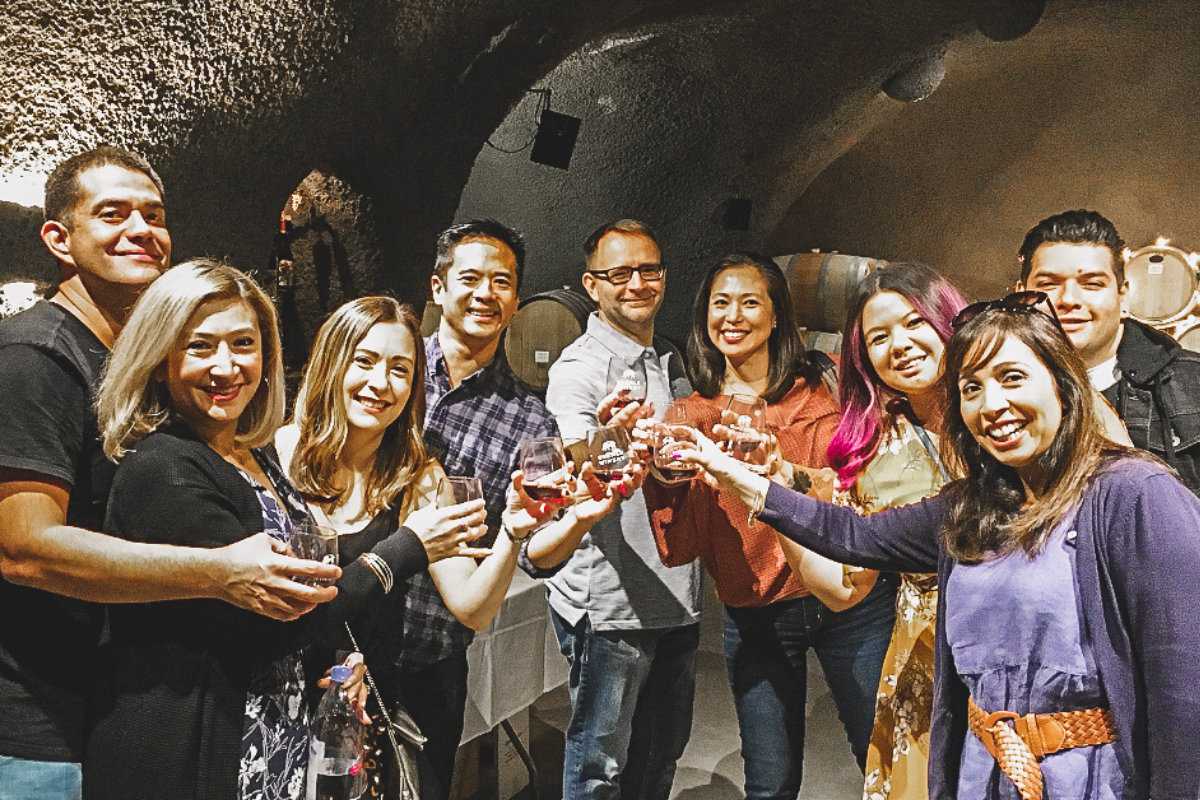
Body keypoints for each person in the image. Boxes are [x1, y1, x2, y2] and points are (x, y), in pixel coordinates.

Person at [682, 294, 1200, 800]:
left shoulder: (1134, 494)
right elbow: (855, 534)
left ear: (1064, 385)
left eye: (1013, 378)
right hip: (984, 768)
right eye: (971, 388)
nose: (993, 405)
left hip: (1088, 774)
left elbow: (1184, 687)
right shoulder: (974, 503)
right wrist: (740, 478)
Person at [0, 147, 335, 797]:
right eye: (112, 213)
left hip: (100, 696)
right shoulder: (36, 357)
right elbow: (22, 550)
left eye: (153, 214)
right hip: (34, 722)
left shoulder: (122, 362)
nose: (139, 229)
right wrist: (221, 573)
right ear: (58, 239)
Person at [85, 261, 445, 799]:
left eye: (243, 344)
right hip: (192, 755)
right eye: (201, 346)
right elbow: (272, 622)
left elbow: (297, 593)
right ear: (159, 360)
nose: (226, 366)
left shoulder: (250, 455)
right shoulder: (163, 468)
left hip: (269, 747)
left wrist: (334, 663)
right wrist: (403, 551)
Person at [277, 295, 631, 798]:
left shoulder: (418, 479)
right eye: (364, 361)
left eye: (400, 369)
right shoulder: (278, 455)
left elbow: (470, 608)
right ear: (332, 362)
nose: (381, 383)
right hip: (274, 699)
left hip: (362, 712)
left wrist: (511, 532)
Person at [640, 252, 896, 800]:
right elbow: (680, 538)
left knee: (886, 758)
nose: (733, 316)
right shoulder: (690, 415)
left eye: (750, 302)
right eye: (720, 303)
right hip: (757, 612)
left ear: (777, 313)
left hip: (852, 602)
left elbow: (865, 482)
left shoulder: (826, 391)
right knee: (770, 781)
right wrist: (662, 475)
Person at [543, 219, 701, 800]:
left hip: (677, 591)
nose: (637, 283)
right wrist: (611, 437)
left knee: (661, 757)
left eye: (649, 270)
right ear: (592, 285)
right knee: (598, 769)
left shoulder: (670, 359)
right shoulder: (578, 369)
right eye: (619, 273)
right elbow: (582, 459)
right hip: (612, 601)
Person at [417, 219, 563, 796]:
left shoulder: (531, 420)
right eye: (470, 278)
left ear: (517, 301)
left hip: (433, 647)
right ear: (438, 287)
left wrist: (575, 516)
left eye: (500, 282)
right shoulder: (386, 373)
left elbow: (536, 552)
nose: (485, 294)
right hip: (344, 631)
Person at [825, 263, 966, 800]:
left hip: (1021, 648)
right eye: (879, 337)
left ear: (947, 320)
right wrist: (766, 497)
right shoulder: (872, 451)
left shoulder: (1005, 412)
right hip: (924, 665)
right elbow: (846, 588)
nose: (899, 345)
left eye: (914, 323)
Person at [1016, 209, 1198, 491]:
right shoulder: (995, 393)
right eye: (1049, 284)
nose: (1069, 299)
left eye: (1092, 284)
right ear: (1021, 296)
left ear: (1123, 297)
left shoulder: (1192, 384)